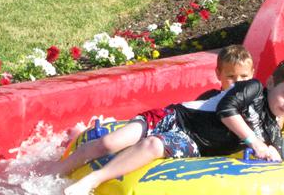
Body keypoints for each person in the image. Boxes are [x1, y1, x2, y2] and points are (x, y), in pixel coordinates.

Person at [61, 58, 284, 195]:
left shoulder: (273, 127)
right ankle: (55, 170)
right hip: (177, 118)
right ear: (272, 83)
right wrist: (255, 143)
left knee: (153, 146)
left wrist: (271, 151)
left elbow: (279, 161)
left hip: (195, 144)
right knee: (108, 143)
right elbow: (226, 110)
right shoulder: (254, 89)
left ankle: (93, 179)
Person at [43, 45, 254, 178]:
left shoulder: (254, 106)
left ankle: (80, 140)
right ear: (218, 74)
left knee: (144, 145)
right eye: (231, 77)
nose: (237, 84)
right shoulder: (209, 99)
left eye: (244, 77)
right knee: (108, 143)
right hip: (168, 123)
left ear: (252, 74)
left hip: (176, 140)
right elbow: (188, 120)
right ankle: (53, 170)